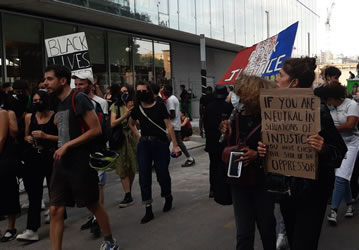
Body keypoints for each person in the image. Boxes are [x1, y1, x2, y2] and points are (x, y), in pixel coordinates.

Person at [258, 57, 347, 250]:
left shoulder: (318, 110)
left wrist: (323, 148)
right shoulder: (273, 110)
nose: (276, 80)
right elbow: (270, 148)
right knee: (292, 237)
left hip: (312, 194)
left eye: (280, 76)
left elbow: (340, 152)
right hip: (286, 191)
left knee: (303, 244)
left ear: (294, 82)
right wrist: (263, 150)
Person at [44, 64, 119, 250]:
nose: (45, 83)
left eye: (49, 79)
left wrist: (68, 145)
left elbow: (96, 130)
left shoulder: (79, 98)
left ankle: (110, 241)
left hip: (81, 163)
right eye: (45, 79)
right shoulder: (56, 101)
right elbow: (63, 134)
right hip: (61, 163)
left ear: (62, 81)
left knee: (92, 204)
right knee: (55, 209)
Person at [220, 75, 276, 250]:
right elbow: (231, 146)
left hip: (262, 181)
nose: (236, 96)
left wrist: (257, 155)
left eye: (240, 92)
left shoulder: (270, 119)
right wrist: (228, 136)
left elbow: (279, 152)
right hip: (239, 181)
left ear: (252, 94)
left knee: (266, 228)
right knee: (244, 233)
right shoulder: (235, 116)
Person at [129, 81, 180, 224]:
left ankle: (167, 195)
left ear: (150, 91)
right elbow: (131, 124)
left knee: (162, 173)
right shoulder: (137, 109)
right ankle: (148, 208)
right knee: (144, 176)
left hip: (160, 143)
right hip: (144, 144)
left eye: (143, 91)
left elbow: (169, 126)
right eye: (138, 91)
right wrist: (139, 137)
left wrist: (175, 145)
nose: (140, 93)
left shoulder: (159, 106)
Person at [16, 91, 58, 242]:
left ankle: (58, 215)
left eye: (40, 100)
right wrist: (27, 138)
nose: (37, 102)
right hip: (34, 157)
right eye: (34, 100)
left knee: (54, 191)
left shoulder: (56, 117)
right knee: (34, 194)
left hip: (51, 157)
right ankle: (31, 229)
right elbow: (26, 135)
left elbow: (64, 138)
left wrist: (46, 136)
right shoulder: (29, 117)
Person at [73, 71, 110, 238]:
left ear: (90, 84)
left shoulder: (100, 102)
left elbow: (103, 127)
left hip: (97, 149)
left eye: (81, 84)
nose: (78, 87)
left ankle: (97, 220)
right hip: (80, 151)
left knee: (99, 185)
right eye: (77, 84)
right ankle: (94, 215)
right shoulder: (72, 102)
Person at [317, 82, 359, 225]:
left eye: (329, 99)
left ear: (335, 97)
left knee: (341, 177)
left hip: (351, 144)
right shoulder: (328, 108)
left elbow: (350, 125)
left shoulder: (351, 105)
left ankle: (333, 210)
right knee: (343, 175)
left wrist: (331, 130)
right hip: (336, 145)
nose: (327, 103)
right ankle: (349, 205)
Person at [110, 84, 137, 208]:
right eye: (121, 92)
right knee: (122, 167)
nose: (123, 94)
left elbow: (138, 123)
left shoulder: (135, 105)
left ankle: (129, 192)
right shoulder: (116, 106)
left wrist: (132, 114)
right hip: (120, 139)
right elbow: (113, 123)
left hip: (132, 139)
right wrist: (125, 115)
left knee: (132, 166)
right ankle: (127, 194)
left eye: (126, 91)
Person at [203, 85, 232, 198]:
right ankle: (224, 188)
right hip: (224, 141)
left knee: (213, 165)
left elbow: (205, 123)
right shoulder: (228, 107)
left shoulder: (209, 107)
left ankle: (213, 188)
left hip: (211, 141)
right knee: (224, 164)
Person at [0, 90, 20, 242]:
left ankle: (11, 227)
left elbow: (1, 138)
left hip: (4, 158)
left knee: (8, 192)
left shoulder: (2, 113)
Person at [163, 85, 195, 167]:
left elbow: (172, 114)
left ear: (167, 90)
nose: (163, 91)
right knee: (178, 143)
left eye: (164, 89)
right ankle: (189, 158)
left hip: (173, 125)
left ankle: (161, 162)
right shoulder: (174, 98)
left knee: (166, 143)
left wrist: (165, 118)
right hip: (175, 125)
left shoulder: (170, 100)